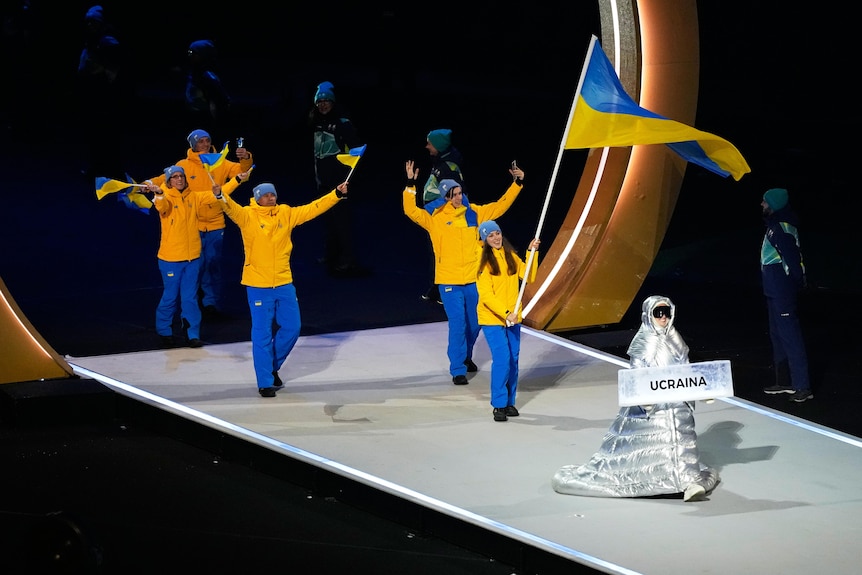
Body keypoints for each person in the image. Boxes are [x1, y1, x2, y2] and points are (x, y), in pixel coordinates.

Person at [551, 295, 720, 502]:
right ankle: (666, 480)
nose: (663, 318)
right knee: (655, 443)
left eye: (666, 313)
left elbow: (685, 368)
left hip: (676, 402)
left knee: (681, 441)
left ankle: (688, 482)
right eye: (658, 313)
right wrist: (644, 397)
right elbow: (637, 371)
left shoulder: (674, 337)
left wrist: (700, 390)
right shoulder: (644, 341)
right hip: (652, 405)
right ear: (648, 315)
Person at [214, 177, 350, 398]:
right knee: (262, 334)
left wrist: (336, 194)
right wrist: (220, 196)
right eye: (266, 195)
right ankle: (265, 381)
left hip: (284, 282)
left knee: (293, 327)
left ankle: (271, 366)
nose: (271, 197)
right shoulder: (247, 216)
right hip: (258, 284)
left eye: (273, 194)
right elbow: (231, 209)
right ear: (258, 198)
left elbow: (312, 209)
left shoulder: (285, 213)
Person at [402, 160, 525, 385]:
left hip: (473, 279)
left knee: (474, 324)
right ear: (446, 196)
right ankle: (458, 368)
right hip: (449, 281)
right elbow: (410, 210)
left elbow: (499, 206)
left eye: (460, 193)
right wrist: (411, 184)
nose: (459, 197)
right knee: (457, 324)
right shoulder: (434, 216)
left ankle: (466, 356)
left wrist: (517, 183)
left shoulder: (474, 214)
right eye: (454, 194)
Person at [148, 129, 253, 317]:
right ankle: (193, 302)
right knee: (197, 265)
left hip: (215, 223)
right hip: (192, 224)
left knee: (212, 264)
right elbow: (165, 178)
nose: (205, 144)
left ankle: (210, 303)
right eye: (201, 141)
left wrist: (245, 158)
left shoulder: (218, 162)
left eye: (208, 141)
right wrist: (147, 183)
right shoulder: (184, 165)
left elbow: (241, 171)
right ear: (193, 145)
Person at [143, 166, 216, 349]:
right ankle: (165, 331)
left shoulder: (194, 196)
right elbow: (162, 207)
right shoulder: (165, 196)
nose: (179, 179)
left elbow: (216, 194)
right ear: (168, 181)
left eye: (181, 176)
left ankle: (192, 334)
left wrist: (237, 180)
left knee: (190, 298)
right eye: (175, 177)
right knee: (170, 297)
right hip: (171, 259)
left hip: (192, 259)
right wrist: (159, 193)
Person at [476, 220, 540, 422]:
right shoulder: (484, 263)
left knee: (513, 359)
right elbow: (486, 296)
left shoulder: (510, 256)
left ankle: (509, 402)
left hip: (512, 318)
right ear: (485, 239)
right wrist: (505, 312)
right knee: (502, 359)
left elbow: (529, 277)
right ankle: (498, 404)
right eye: (491, 235)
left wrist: (532, 253)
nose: (496, 238)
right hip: (493, 318)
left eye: (497, 233)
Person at [308, 81, 369, 278]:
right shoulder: (314, 120)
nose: (323, 105)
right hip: (322, 180)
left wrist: (348, 179)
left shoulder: (343, 123)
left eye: (326, 101)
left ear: (333, 102)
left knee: (342, 222)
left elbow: (356, 152)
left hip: (339, 182)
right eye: (320, 101)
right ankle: (331, 254)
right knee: (328, 221)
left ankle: (348, 259)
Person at [759, 187, 813, 402]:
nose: (761, 205)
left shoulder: (782, 227)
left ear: (773, 204)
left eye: (764, 202)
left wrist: (797, 283)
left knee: (790, 337)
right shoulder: (774, 225)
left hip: (782, 290)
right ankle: (785, 381)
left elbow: (792, 259)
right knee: (777, 336)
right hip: (773, 289)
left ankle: (802, 386)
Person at [76, 5, 129, 177]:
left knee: (108, 134)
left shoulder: (108, 43)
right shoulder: (92, 41)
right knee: (95, 134)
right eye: (88, 22)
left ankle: (113, 170)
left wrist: (100, 69)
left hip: (106, 97)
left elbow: (115, 71)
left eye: (93, 23)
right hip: (94, 95)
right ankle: (98, 167)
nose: (90, 26)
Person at [420, 128, 465, 304]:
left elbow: (458, 196)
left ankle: (444, 290)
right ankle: (437, 286)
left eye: (429, 143)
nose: (427, 146)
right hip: (436, 215)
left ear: (438, 146)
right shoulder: (440, 162)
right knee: (436, 252)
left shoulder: (449, 167)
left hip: (444, 218)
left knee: (443, 254)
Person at [185, 39, 232, 136]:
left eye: (193, 52)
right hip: (194, 119)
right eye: (189, 52)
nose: (190, 55)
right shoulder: (194, 74)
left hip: (204, 122)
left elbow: (221, 100)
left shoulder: (208, 78)